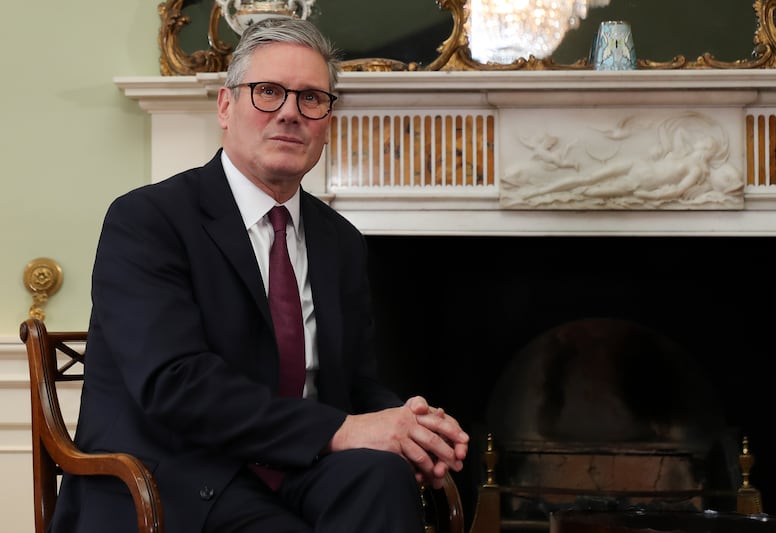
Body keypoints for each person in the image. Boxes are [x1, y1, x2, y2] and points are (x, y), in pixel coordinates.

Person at [53, 17, 468, 533]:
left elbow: (357, 385)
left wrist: (409, 424)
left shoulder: (340, 241)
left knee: (382, 478)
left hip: (298, 468)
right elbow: (175, 386)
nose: (290, 113)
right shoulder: (147, 220)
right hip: (176, 477)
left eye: (312, 98)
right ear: (225, 107)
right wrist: (341, 430)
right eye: (268, 92)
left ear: (327, 122)